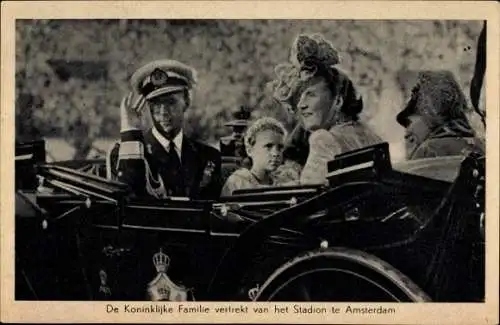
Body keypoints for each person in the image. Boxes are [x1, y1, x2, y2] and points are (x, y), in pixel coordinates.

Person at [271, 33, 383, 185]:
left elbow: (308, 195)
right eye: (300, 98)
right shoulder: (373, 138)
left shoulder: (323, 139)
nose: (300, 105)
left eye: (310, 95)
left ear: (337, 100)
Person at [107, 59, 222, 199]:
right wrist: (130, 131)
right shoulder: (128, 151)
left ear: (186, 101)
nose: (163, 112)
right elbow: (127, 199)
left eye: (170, 102)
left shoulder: (209, 156)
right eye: (155, 104)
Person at [396, 70, 485, 160]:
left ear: (429, 113)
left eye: (409, 122)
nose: (407, 133)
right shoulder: (481, 146)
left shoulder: (428, 150)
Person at [220, 117, 288, 196]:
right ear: (250, 150)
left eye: (280, 147)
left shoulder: (282, 182)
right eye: (268, 146)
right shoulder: (238, 182)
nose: (276, 153)